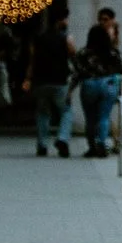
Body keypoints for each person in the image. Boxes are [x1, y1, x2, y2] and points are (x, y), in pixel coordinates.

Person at [21, 10, 75, 158]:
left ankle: (42, 144)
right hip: (59, 80)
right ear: (60, 20)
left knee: (42, 113)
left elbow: (32, 60)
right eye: (65, 19)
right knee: (66, 111)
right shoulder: (65, 37)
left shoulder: (38, 38)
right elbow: (73, 54)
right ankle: (62, 138)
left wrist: (28, 79)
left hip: (40, 81)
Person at [78, 8, 121, 158]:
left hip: (89, 84)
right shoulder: (112, 52)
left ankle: (91, 146)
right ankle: (102, 143)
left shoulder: (84, 53)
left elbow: (79, 69)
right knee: (104, 116)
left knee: (90, 118)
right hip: (107, 83)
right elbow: (118, 67)